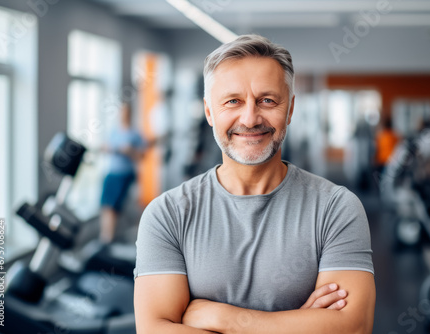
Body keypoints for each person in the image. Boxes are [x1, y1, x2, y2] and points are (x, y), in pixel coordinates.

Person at [134, 35, 375, 334]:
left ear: (289, 109)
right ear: (209, 111)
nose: (249, 118)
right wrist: (301, 324)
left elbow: (353, 328)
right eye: (233, 101)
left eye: (267, 101)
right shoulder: (167, 214)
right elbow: (154, 329)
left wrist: (224, 320)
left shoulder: (336, 208)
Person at [99, 102, 146, 243]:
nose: (123, 114)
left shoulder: (135, 134)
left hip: (125, 174)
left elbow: (142, 156)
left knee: (114, 207)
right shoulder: (114, 132)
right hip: (111, 173)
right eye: (122, 112)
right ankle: (105, 238)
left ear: (130, 114)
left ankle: (109, 238)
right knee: (106, 206)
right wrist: (108, 148)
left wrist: (130, 151)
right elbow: (103, 147)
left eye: (126, 112)